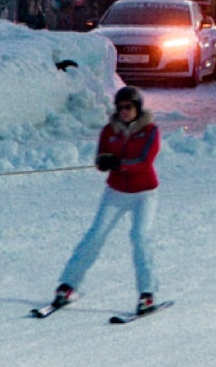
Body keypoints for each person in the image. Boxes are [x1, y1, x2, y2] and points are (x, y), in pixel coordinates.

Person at [49, 86, 161, 317]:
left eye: (128, 107)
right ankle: (68, 286)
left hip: (144, 193)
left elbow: (144, 161)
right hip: (116, 192)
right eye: (120, 108)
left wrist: (120, 164)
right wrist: (104, 162)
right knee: (95, 235)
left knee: (140, 238)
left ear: (137, 108)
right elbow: (101, 159)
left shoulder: (150, 131)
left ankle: (147, 294)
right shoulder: (109, 131)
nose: (123, 112)